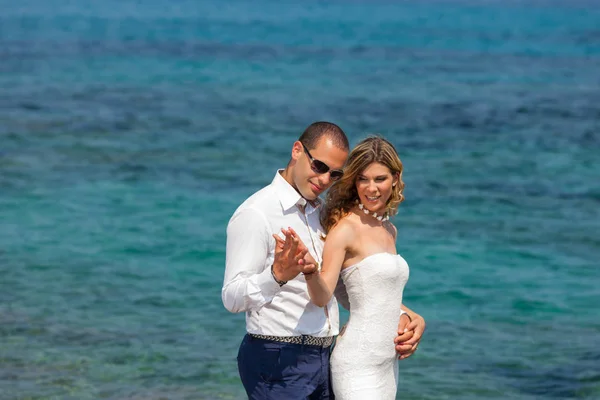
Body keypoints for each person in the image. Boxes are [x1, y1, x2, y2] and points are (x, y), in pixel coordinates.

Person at [222, 122, 425, 399]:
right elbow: (232, 298)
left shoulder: (320, 214)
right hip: (277, 357)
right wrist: (277, 275)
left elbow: (347, 288)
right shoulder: (257, 213)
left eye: (335, 174)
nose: (324, 179)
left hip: (322, 357)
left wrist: (407, 316)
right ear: (297, 150)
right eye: (319, 166)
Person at [298, 135, 417, 399]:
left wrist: (411, 316)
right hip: (358, 365)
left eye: (380, 179)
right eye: (363, 179)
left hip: (387, 364)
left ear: (395, 178)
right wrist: (309, 271)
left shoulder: (388, 228)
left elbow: (372, 296)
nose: (371, 188)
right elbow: (323, 296)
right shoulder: (346, 229)